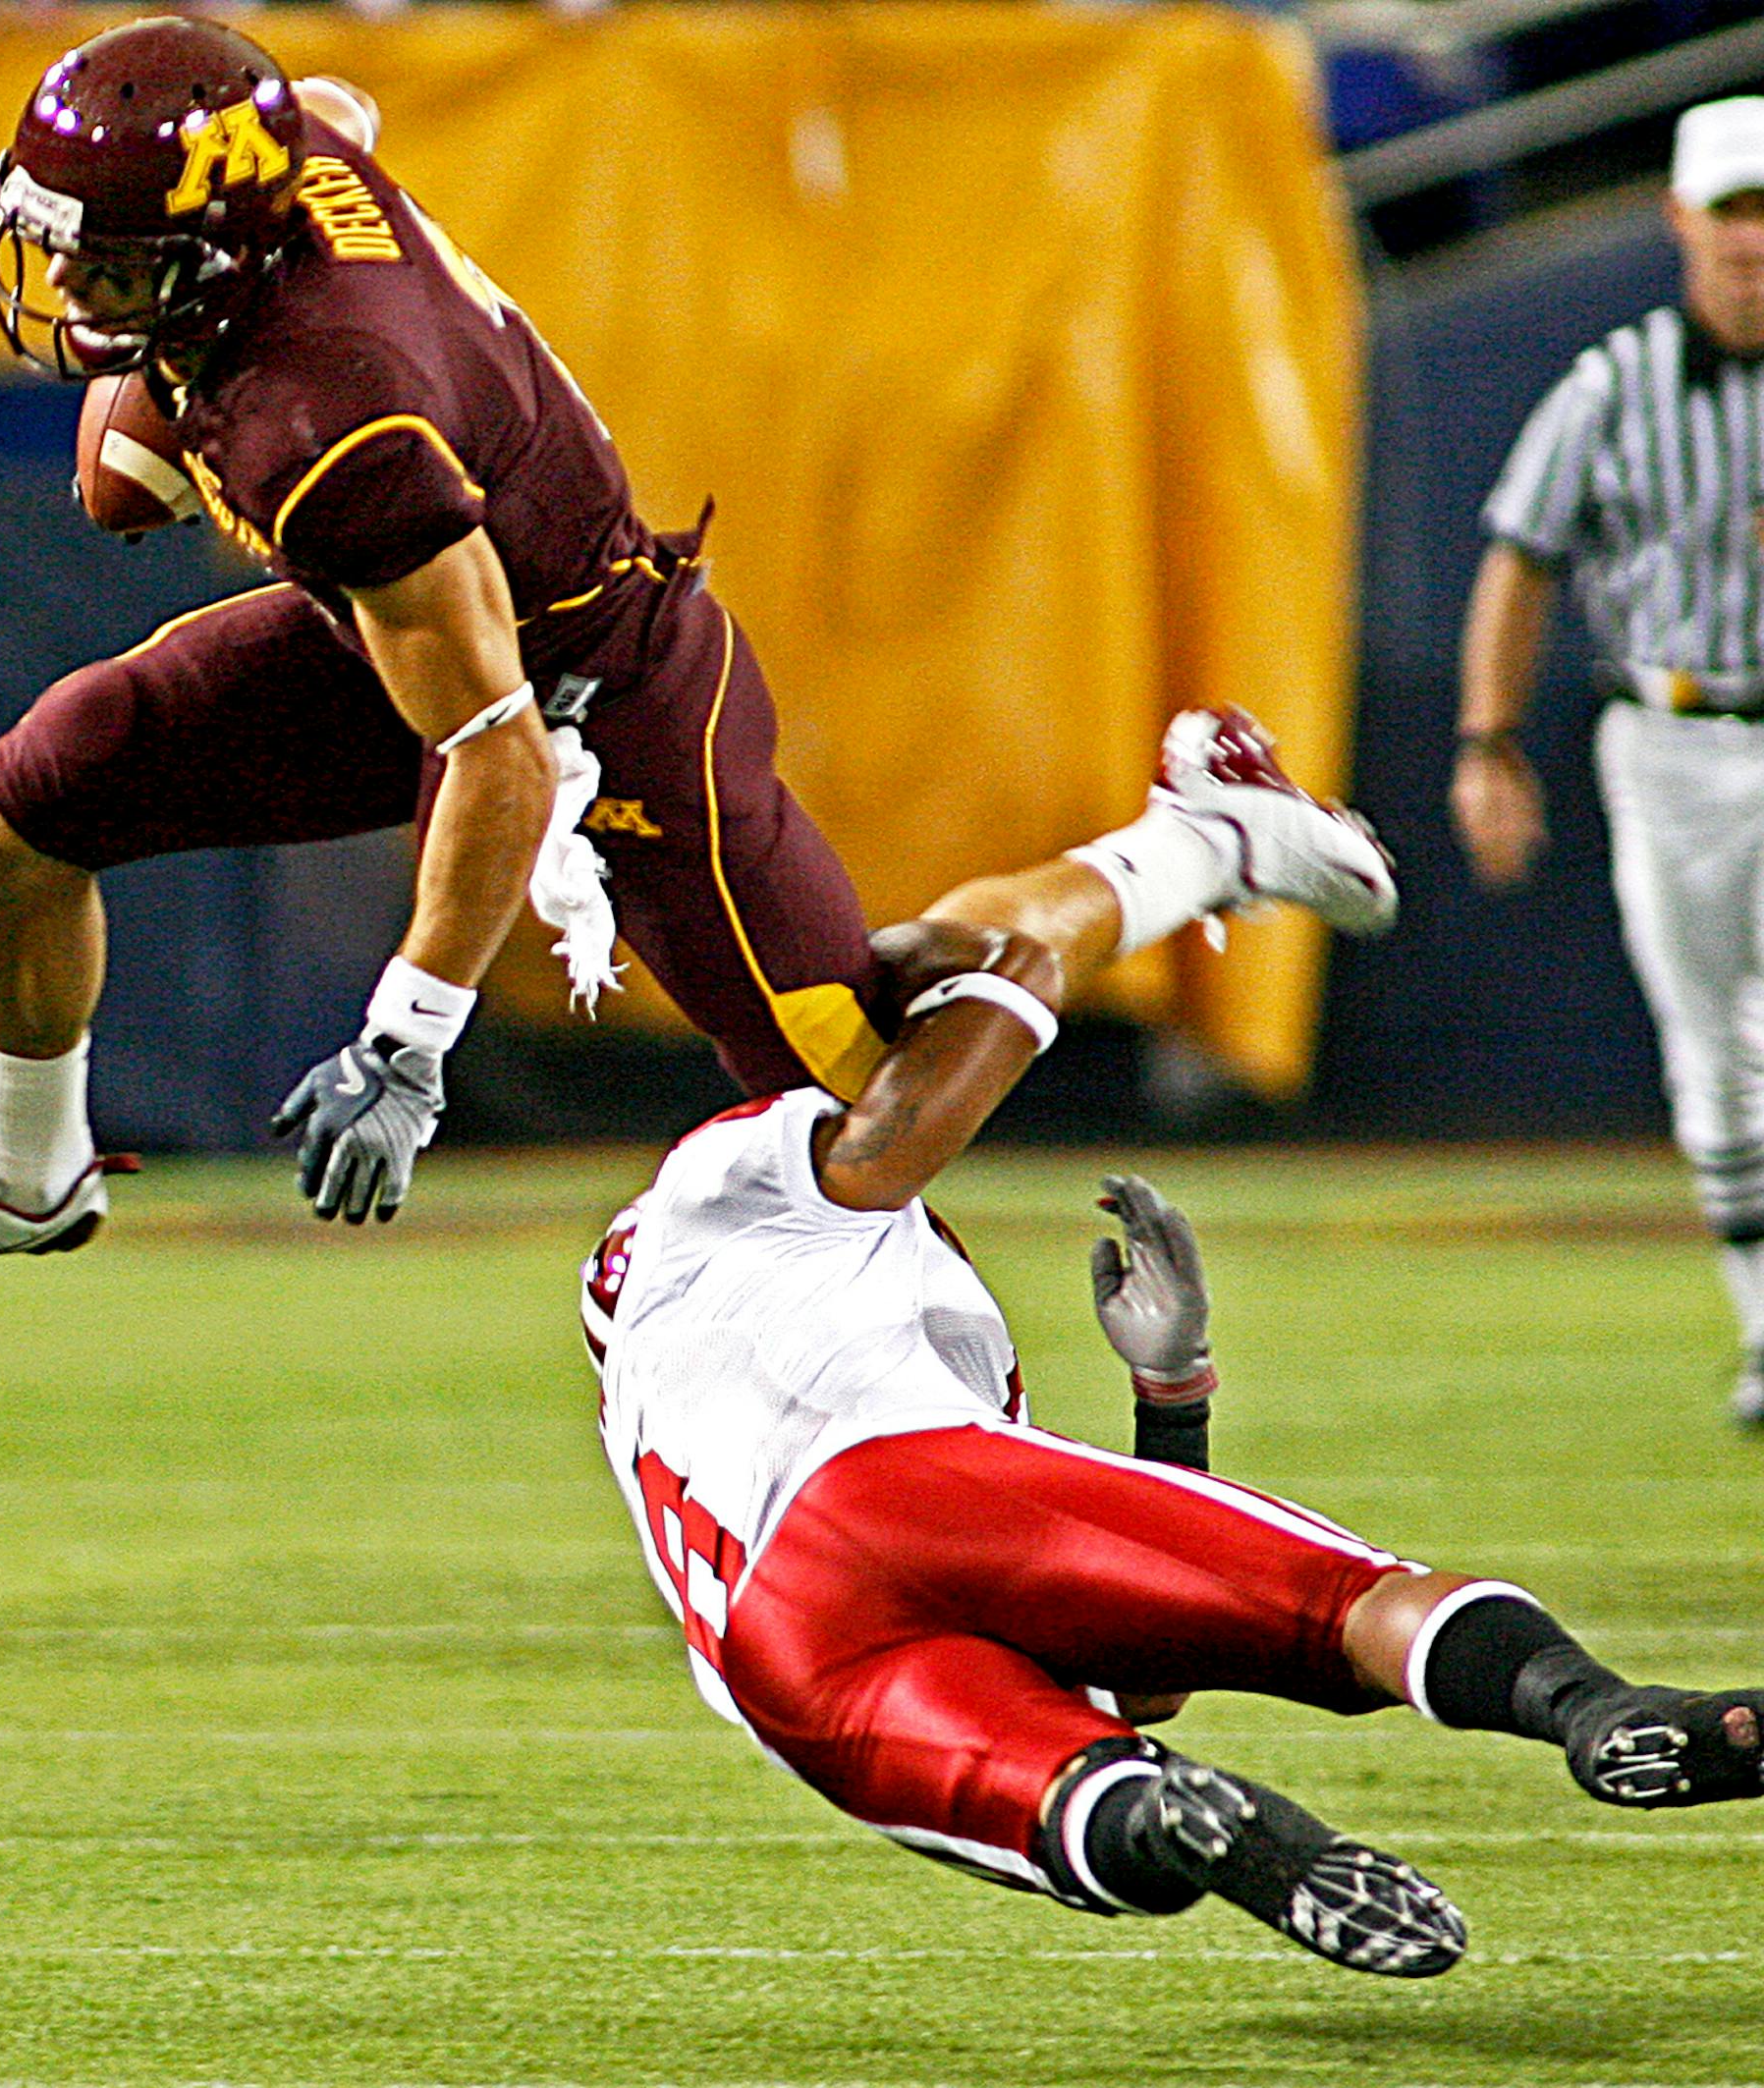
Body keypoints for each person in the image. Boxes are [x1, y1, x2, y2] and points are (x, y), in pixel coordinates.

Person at [587, 707, 1763, 1976]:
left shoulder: (727, 1387)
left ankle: (1200, 1833)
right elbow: (915, 1089)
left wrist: (1170, 1397)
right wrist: (1093, 912)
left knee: (1088, 1795)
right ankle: (1597, 1710)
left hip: (786, 1674)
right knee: (1340, 1608)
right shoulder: (712, 1196)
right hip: (878, 1488)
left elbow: (1135, 1685)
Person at [0, 16, 897, 1287]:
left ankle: (1046, 951)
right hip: (386, 634)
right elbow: (335, 104)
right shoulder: (283, 174)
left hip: (603, 681)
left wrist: (406, 1044)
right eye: (61, 247)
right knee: (5, 814)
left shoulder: (329, 421)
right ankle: (22, 1174)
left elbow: (502, 751)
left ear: (221, 257)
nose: (71, 290)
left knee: (855, 1099)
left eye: (115, 266)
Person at [1454, 95, 1764, 1432]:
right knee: (1709, 1051)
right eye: (1734, 210)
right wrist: (1487, 743)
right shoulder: (1613, 384)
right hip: (1669, 738)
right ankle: (1762, 1327)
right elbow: (1520, 557)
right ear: (1681, 218)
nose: (1753, 240)